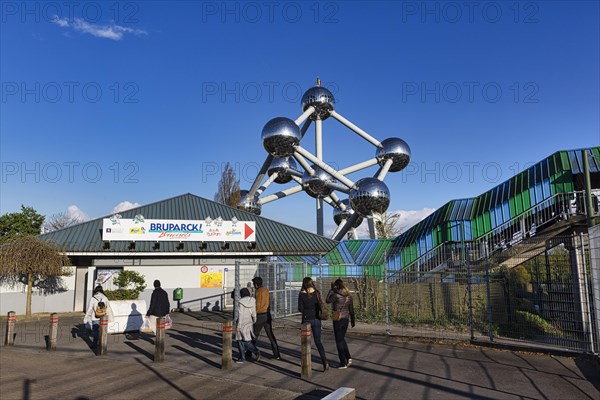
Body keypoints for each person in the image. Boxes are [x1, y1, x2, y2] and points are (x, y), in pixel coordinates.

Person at [298, 277, 329, 372]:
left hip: (306, 320)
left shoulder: (302, 294)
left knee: (305, 343)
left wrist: (306, 310)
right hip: (316, 319)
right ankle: (325, 361)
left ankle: (306, 364)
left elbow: (300, 308)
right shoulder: (317, 293)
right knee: (318, 341)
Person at [326, 278, 355, 369]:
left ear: (336, 286)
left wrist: (331, 290)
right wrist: (353, 320)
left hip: (337, 318)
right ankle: (348, 357)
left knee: (338, 341)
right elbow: (351, 309)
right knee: (341, 339)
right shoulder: (349, 295)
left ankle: (343, 362)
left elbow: (327, 300)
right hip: (346, 319)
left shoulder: (335, 294)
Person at [251, 276, 281, 360]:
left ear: (256, 284)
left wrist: (253, 314)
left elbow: (258, 304)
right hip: (267, 315)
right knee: (271, 335)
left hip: (260, 315)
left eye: (254, 284)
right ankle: (277, 354)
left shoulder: (258, 292)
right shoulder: (266, 290)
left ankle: (250, 351)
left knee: (254, 335)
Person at [235, 288, 261, 363]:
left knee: (240, 340)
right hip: (249, 322)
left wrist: (239, 326)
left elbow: (240, 314)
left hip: (242, 323)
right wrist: (254, 320)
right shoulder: (252, 301)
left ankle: (245, 357)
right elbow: (254, 312)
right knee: (247, 339)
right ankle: (245, 355)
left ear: (241, 294)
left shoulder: (241, 302)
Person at [83, 285, 113, 349]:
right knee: (103, 332)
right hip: (103, 318)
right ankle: (102, 345)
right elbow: (108, 308)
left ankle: (94, 345)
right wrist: (110, 317)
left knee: (95, 332)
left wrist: (86, 318)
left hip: (95, 317)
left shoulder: (93, 298)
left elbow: (90, 309)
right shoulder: (105, 298)